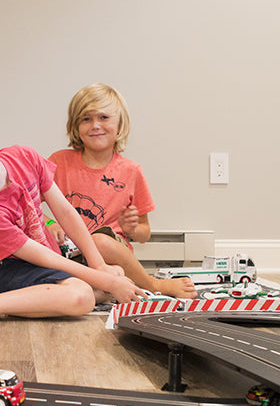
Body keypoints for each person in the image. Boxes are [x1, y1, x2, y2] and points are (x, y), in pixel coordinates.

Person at [0, 128, 145, 328]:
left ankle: (47, 297)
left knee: (112, 275)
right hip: (0, 272)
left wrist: (99, 266)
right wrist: (106, 281)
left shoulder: (23, 156)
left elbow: (64, 212)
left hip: (40, 262)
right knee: (82, 296)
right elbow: (45, 258)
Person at [47, 84, 197, 299]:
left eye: (104, 117)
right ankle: (106, 288)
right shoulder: (59, 162)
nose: (95, 125)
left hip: (111, 251)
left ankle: (153, 284)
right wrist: (49, 223)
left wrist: (132, 229)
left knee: (98, 242)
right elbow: (25, 201)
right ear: (75, 126)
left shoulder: (131, 171)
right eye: (85, 119)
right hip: (74, 256)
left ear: (120, 125)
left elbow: (144, 233)